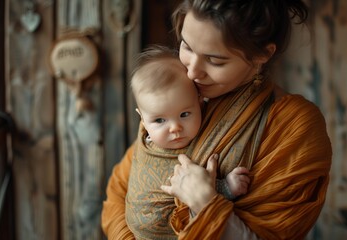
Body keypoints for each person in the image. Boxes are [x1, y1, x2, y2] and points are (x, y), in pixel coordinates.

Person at [102, 0, 332, 239]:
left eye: (215, 60)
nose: (192, 72)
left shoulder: (293, 126)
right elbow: (124, 188)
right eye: (187, 47)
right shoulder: (179, 94)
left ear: (262, 54)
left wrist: (205, 203)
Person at [126, 46, 250, 239]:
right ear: (141, 118)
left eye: (184, 114)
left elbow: (196, 189)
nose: (175, 128)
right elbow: (182, 185)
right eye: (159, 120)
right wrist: (226, 188)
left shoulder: (206, 136)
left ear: (201, 103)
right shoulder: (146, 144)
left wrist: (223, 187)